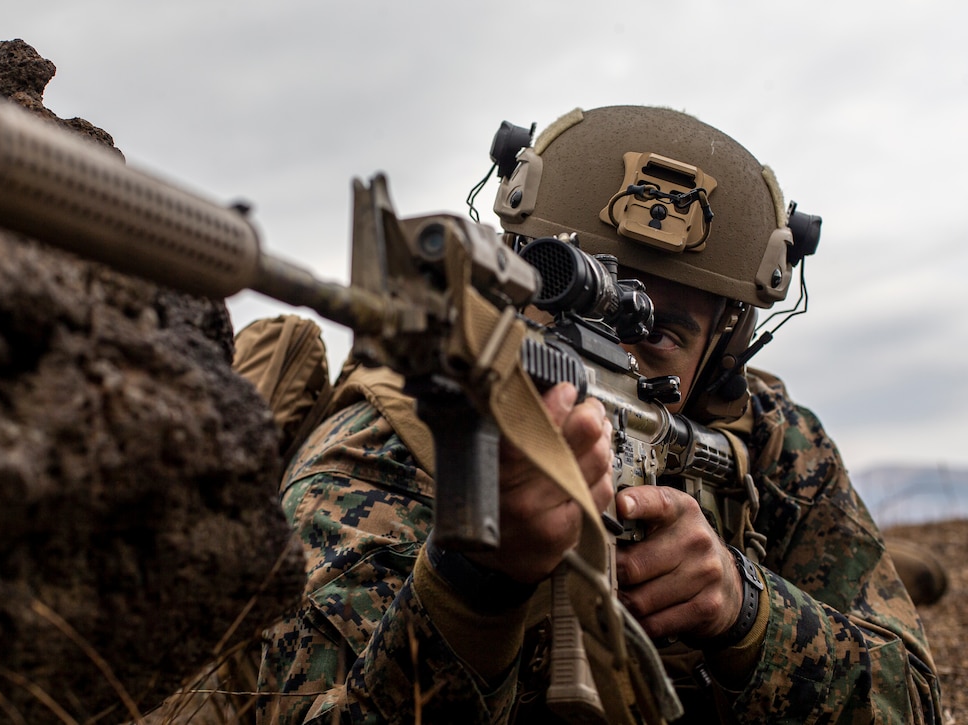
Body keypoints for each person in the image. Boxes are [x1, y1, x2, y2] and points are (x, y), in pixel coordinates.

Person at [255, 105, 942, 723]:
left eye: (662, 332)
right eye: (565, 300)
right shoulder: (390, 441)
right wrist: (475, 581)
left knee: (892, 582)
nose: (619, 342)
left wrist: (746, 608)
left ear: (727, 346)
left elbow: (912, 698)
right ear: (514, 276)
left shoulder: (772, 443)